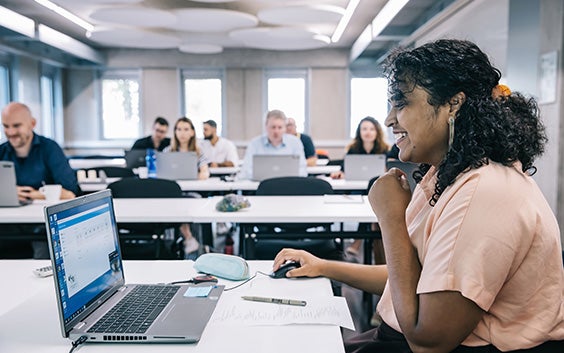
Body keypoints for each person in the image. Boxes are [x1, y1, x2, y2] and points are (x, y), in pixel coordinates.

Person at [273, 39, 564, 353]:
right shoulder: (455, 174)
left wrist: (392, 219)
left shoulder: (485, 191)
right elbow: (418, 277)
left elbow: (428, 341)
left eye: (402, 103)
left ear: (453, 104)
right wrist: (324, 266)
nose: (389, 119)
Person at [1, 102, 79, 258]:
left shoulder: (50, 149)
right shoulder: (2, 151)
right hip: (8, 223)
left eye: (16, 126)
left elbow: (70, 192)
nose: (10, 132)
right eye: (6, 126)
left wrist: (31, 194)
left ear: (32, 123)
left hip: (43, 226)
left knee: (42, 249)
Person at [163, 117, 210, 257]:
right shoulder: (167, 151)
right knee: (176, 202)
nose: (182, 133)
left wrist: (193, 175)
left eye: (186, 129)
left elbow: (205, 172)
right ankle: (188, 238)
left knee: (190, 200)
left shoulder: (198, 152)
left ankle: (189, 239)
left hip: (191, 191)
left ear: (192, 133)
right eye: (178, 129)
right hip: (172, 192)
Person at [240, 109, 307, 180]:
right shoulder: (254, 144)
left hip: (288, 185)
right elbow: (245, 171)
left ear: (285, 128)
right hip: (261, 185)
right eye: (273, 127)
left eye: (280, 127)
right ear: (266, 127)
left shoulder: (295, 143)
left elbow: (302, 170)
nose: (276, 131)